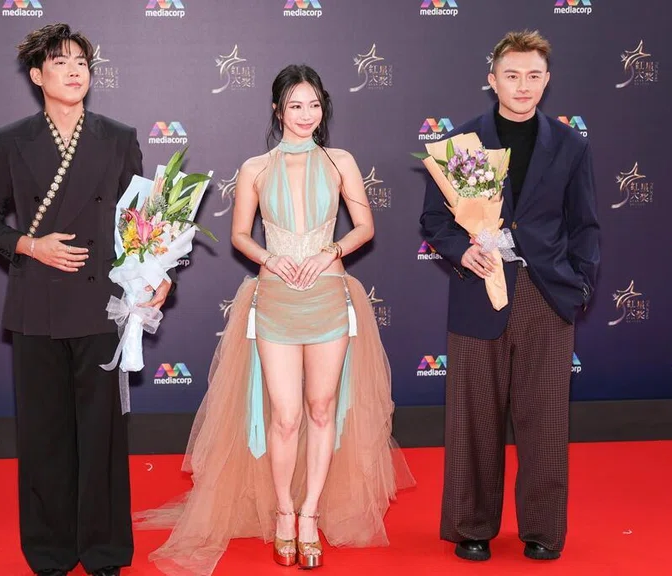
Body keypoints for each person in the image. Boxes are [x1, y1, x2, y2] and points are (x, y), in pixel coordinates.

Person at [135, 64, 414, 575]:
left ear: (324, 107)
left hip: (330, 293)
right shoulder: (255, 168)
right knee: (285, 416)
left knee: (322, 407)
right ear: (277, 110)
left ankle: (310, 515)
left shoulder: (341, 161)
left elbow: (366, 226)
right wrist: (271, 258)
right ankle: (283, 510)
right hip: (276, 297)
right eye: (295, 105)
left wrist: (331, 249)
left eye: (314, 104)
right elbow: (241, 235)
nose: (306, 115)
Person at [0, 23, 172, 576]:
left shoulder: (118, 136)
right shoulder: (10, 139)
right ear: (38, 76)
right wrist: (30, 244)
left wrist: (157, 271)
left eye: (80, 61)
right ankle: (51, 552)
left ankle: (104, 552)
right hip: (37, 305)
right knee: (44, 435)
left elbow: (140, 224)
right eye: (59, 62)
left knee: (102, 435)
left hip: (101, 302)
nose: (74, 70)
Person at [420, 30, 599, 562]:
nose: (523, 86)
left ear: (547, 81)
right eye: (512, 75)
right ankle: (472, 527)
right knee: (472, 418)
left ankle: (543, 531)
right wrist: (459, 251)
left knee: (546, 419)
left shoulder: (570, 144)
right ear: (491, 78)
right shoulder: (461, 144)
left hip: (546, 294)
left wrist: (580, 282)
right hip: (480, 292)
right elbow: (434, 219)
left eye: (534, 76)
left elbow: (585, 225)